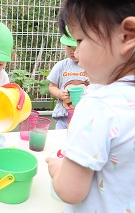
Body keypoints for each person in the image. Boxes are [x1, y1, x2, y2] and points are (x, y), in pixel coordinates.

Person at [46, 0, 135, 212]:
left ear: (127, 36)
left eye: (80, 40)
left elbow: (70, 191)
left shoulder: (98, 105)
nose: (76, 53)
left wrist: (57, 169)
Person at [47, 26, 89, 129]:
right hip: (63, 118)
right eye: (69, 46)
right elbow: (52, 86)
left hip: (84, 117)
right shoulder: (61, 66)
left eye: (75, 47)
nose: (72, 51)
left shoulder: (89, 66)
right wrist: (59, 94)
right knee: (59, 142)